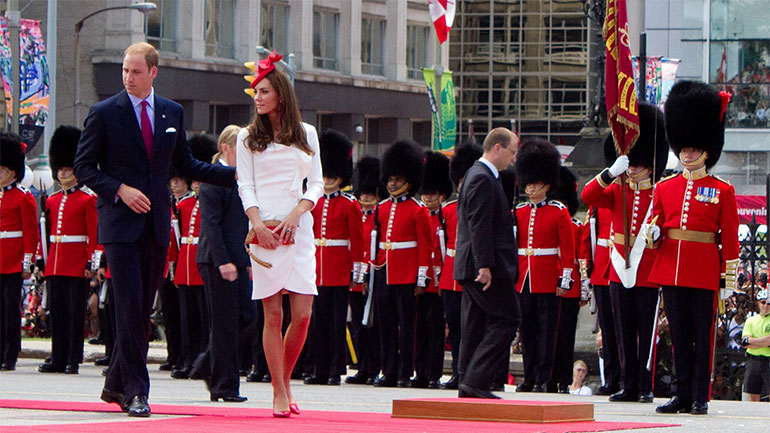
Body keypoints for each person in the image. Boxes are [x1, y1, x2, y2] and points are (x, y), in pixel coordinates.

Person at [73, 42, 235, 417]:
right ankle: (135, 392)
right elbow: (84, 167)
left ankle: (115, 385)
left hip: (157, 223)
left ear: (153, 72)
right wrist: (119, 190)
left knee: (142, 308)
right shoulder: (103, 113)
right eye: (125, 71)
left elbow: (187, 165)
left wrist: (239, 178)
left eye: (136, 71)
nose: (129, 78)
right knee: (129, 308)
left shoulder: (171, 113)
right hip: (119, 225)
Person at [236, 51, 323, 417]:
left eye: (265, 91)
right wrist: (257, 224)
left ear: (281, 96)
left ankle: (284, 381)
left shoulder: (307, 133)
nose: (258, 98)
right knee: (273, 314)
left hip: (298, 227)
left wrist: (298, 213)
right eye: (256, 92)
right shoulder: (246, 138)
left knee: (302, 314)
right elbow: (246, 185)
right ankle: (277, 391)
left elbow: (316, 183)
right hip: (265, 230)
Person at [650, 81, 740, 416]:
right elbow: (656, 231)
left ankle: (701, 395)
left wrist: (728, 279)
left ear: (706, 149)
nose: (687, 153)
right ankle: (680, 393)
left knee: (703, 339)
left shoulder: (722, 190)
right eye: (683, 148)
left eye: (693, 148)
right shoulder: (666, 188)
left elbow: (729, 237)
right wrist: (653, 233)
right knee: (678, 336)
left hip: (703, 272)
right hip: (671, 269)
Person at [582, 102, 670, 404]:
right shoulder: (618, 188)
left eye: (636, 163)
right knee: (622, 332)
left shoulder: (659, 191)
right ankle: (628, 384)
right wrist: (609, 173)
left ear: (650, 163)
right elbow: (588, 195)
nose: (632, 167)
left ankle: (645, 385)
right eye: (629, 163)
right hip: (618, 269)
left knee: (646, 335)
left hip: (646, 271)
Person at [454, 127, 520, 399]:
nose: (513, 159)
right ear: (497, 148)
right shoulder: (482, 178)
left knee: (476, 323)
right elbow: (479, 224)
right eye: (512, 152)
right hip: (484, 266)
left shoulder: (477, 174)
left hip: (476, 263)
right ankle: (476, 379)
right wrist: (484, 266)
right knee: (507, 318)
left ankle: (467, 379)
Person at [192, 124, 254, 402]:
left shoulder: (241, 178)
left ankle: (207, 364)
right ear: (226, 148)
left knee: (247, 317)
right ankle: (224, 387)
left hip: (238, 259)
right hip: (217, 260)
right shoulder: (213, 179)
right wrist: (225, 262)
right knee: (225, 323)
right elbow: (212, 226)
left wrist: (247, 260)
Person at [513, 138, 574, 393]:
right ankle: (528, 377)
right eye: (528, 184)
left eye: (535, 184)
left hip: (548, 277)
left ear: (547, 185)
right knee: (527, 330)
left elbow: (567, 249)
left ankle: (543, 378)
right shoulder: (519, 211)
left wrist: (565, 279)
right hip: (524, 278)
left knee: (547, 332)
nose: (530, 188)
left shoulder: (559, 211)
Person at [370, 140, 433, 388]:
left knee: (407, 327)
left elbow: (425, 247)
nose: (392, 184)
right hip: (385, 270)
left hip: (407, 274)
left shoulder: (418, 210)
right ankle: (389, 370)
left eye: (397, 180)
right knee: (385, 325)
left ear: (408, 181)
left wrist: (421, 278)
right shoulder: (382, 208)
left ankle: (406, 372)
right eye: (390, 180)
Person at [305, 129, 364, 386]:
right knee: (319, 322)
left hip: (340, 270)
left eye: (331, 177)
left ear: (340, 178)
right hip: (317, 268)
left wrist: (357, 272)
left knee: (338, 324)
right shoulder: (313, 202)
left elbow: (358, 241)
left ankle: (335, 369)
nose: (327, 181)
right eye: (325, 176)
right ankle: (319, 368)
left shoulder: (350, 204)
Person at [37, 125, 98, 375]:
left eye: (67, 168)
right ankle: (58, 356)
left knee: (75, 314)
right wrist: (43, 260)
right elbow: (48, 235)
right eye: (60, 169)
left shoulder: (88, 199)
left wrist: (90, 263)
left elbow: (94, 235)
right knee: (57, 311)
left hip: (75, 264)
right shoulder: (51, 201)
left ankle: (74, 357)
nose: (63, 173)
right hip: (56, 263)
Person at [439, 141, 483, 390]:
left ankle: (471, 373)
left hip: (472, 274)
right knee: (455, 327)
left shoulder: (479, 205)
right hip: (450, 275)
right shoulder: (448, 210)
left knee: (473, 328)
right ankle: (458, 371)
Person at [412, 151, 453, 389]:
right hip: (421, 280)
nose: (428, 197)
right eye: (426, 193)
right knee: (420, 330)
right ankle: (420, 372)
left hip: (438, 281)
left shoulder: (445, 217)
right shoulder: (420, 214)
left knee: (436, 330)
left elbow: (447, 250)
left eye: (432, 193)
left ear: (441, 194)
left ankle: (434, 373)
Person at [548, 166, 590, 394]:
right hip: (546, 284)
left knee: (564, 337)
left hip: (569, 289)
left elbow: (581, 259)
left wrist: (583, 289)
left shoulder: (576, 227)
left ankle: (563, 379)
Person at [0, 132, 40, 372]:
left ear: (13, 172)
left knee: (10, 310)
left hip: (13, 260)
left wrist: (27, 262)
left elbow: (31, 232)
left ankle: (10, 354)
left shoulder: (23, 197)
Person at [345, 156, 382, 386]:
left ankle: (373, 367)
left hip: (374, 277)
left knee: (373, 326)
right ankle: (362, 367)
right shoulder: (356, 214)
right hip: (356, 278)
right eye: (364, 192)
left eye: (370, 193)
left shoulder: (380, 216)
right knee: (358, 325)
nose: (366, 197)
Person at [582, 205, 621, 396]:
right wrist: (586, 273)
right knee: (608, 330)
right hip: (602, 269)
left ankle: (630, 378)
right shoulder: (599, 203)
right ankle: (611, 378)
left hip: (626, 270)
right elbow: (588, 236)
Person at [740, 289, 770, 401]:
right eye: (763, 302)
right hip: (753, 360)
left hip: (768, 360)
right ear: (758, 303)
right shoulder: (751, 320)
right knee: (752, 395)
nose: (766, 306)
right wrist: (764, 342)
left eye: (768, 303)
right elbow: (745, 342)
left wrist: (753, 341)